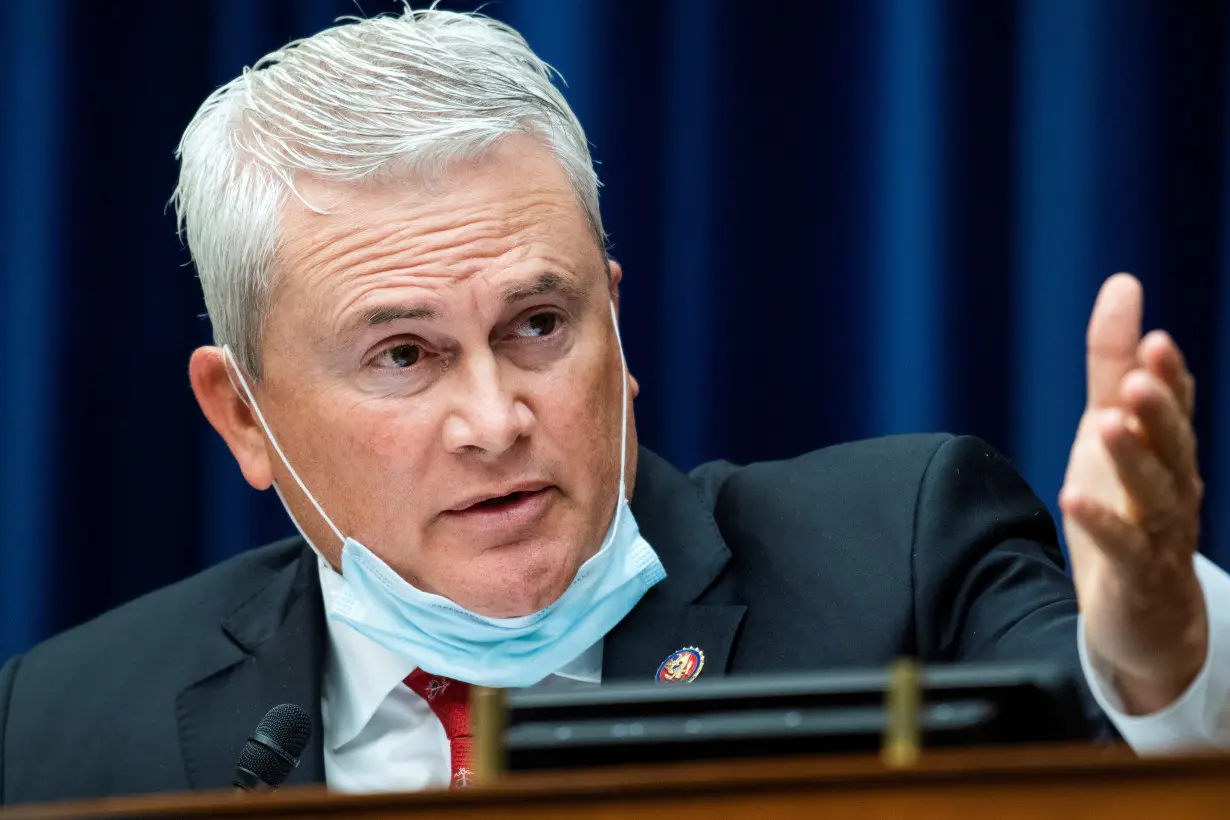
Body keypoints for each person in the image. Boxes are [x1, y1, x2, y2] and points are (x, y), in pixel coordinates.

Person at [1, 7, 1227, 805]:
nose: (494, 418)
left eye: (539, 327)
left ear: (616, 323)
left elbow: (1113, 750)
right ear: (244, 420)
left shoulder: (898, 556)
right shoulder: (58, 727)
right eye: (403, 356)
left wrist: (1158, 651)